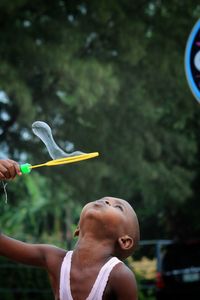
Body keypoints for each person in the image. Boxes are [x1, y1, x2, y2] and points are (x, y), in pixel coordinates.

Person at [0, 159, 140, 300]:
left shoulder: (120, 276)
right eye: (104, 199)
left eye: (118, 207)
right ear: (78, 227)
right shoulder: (54, 259)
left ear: (125, 241)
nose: (106, 201)